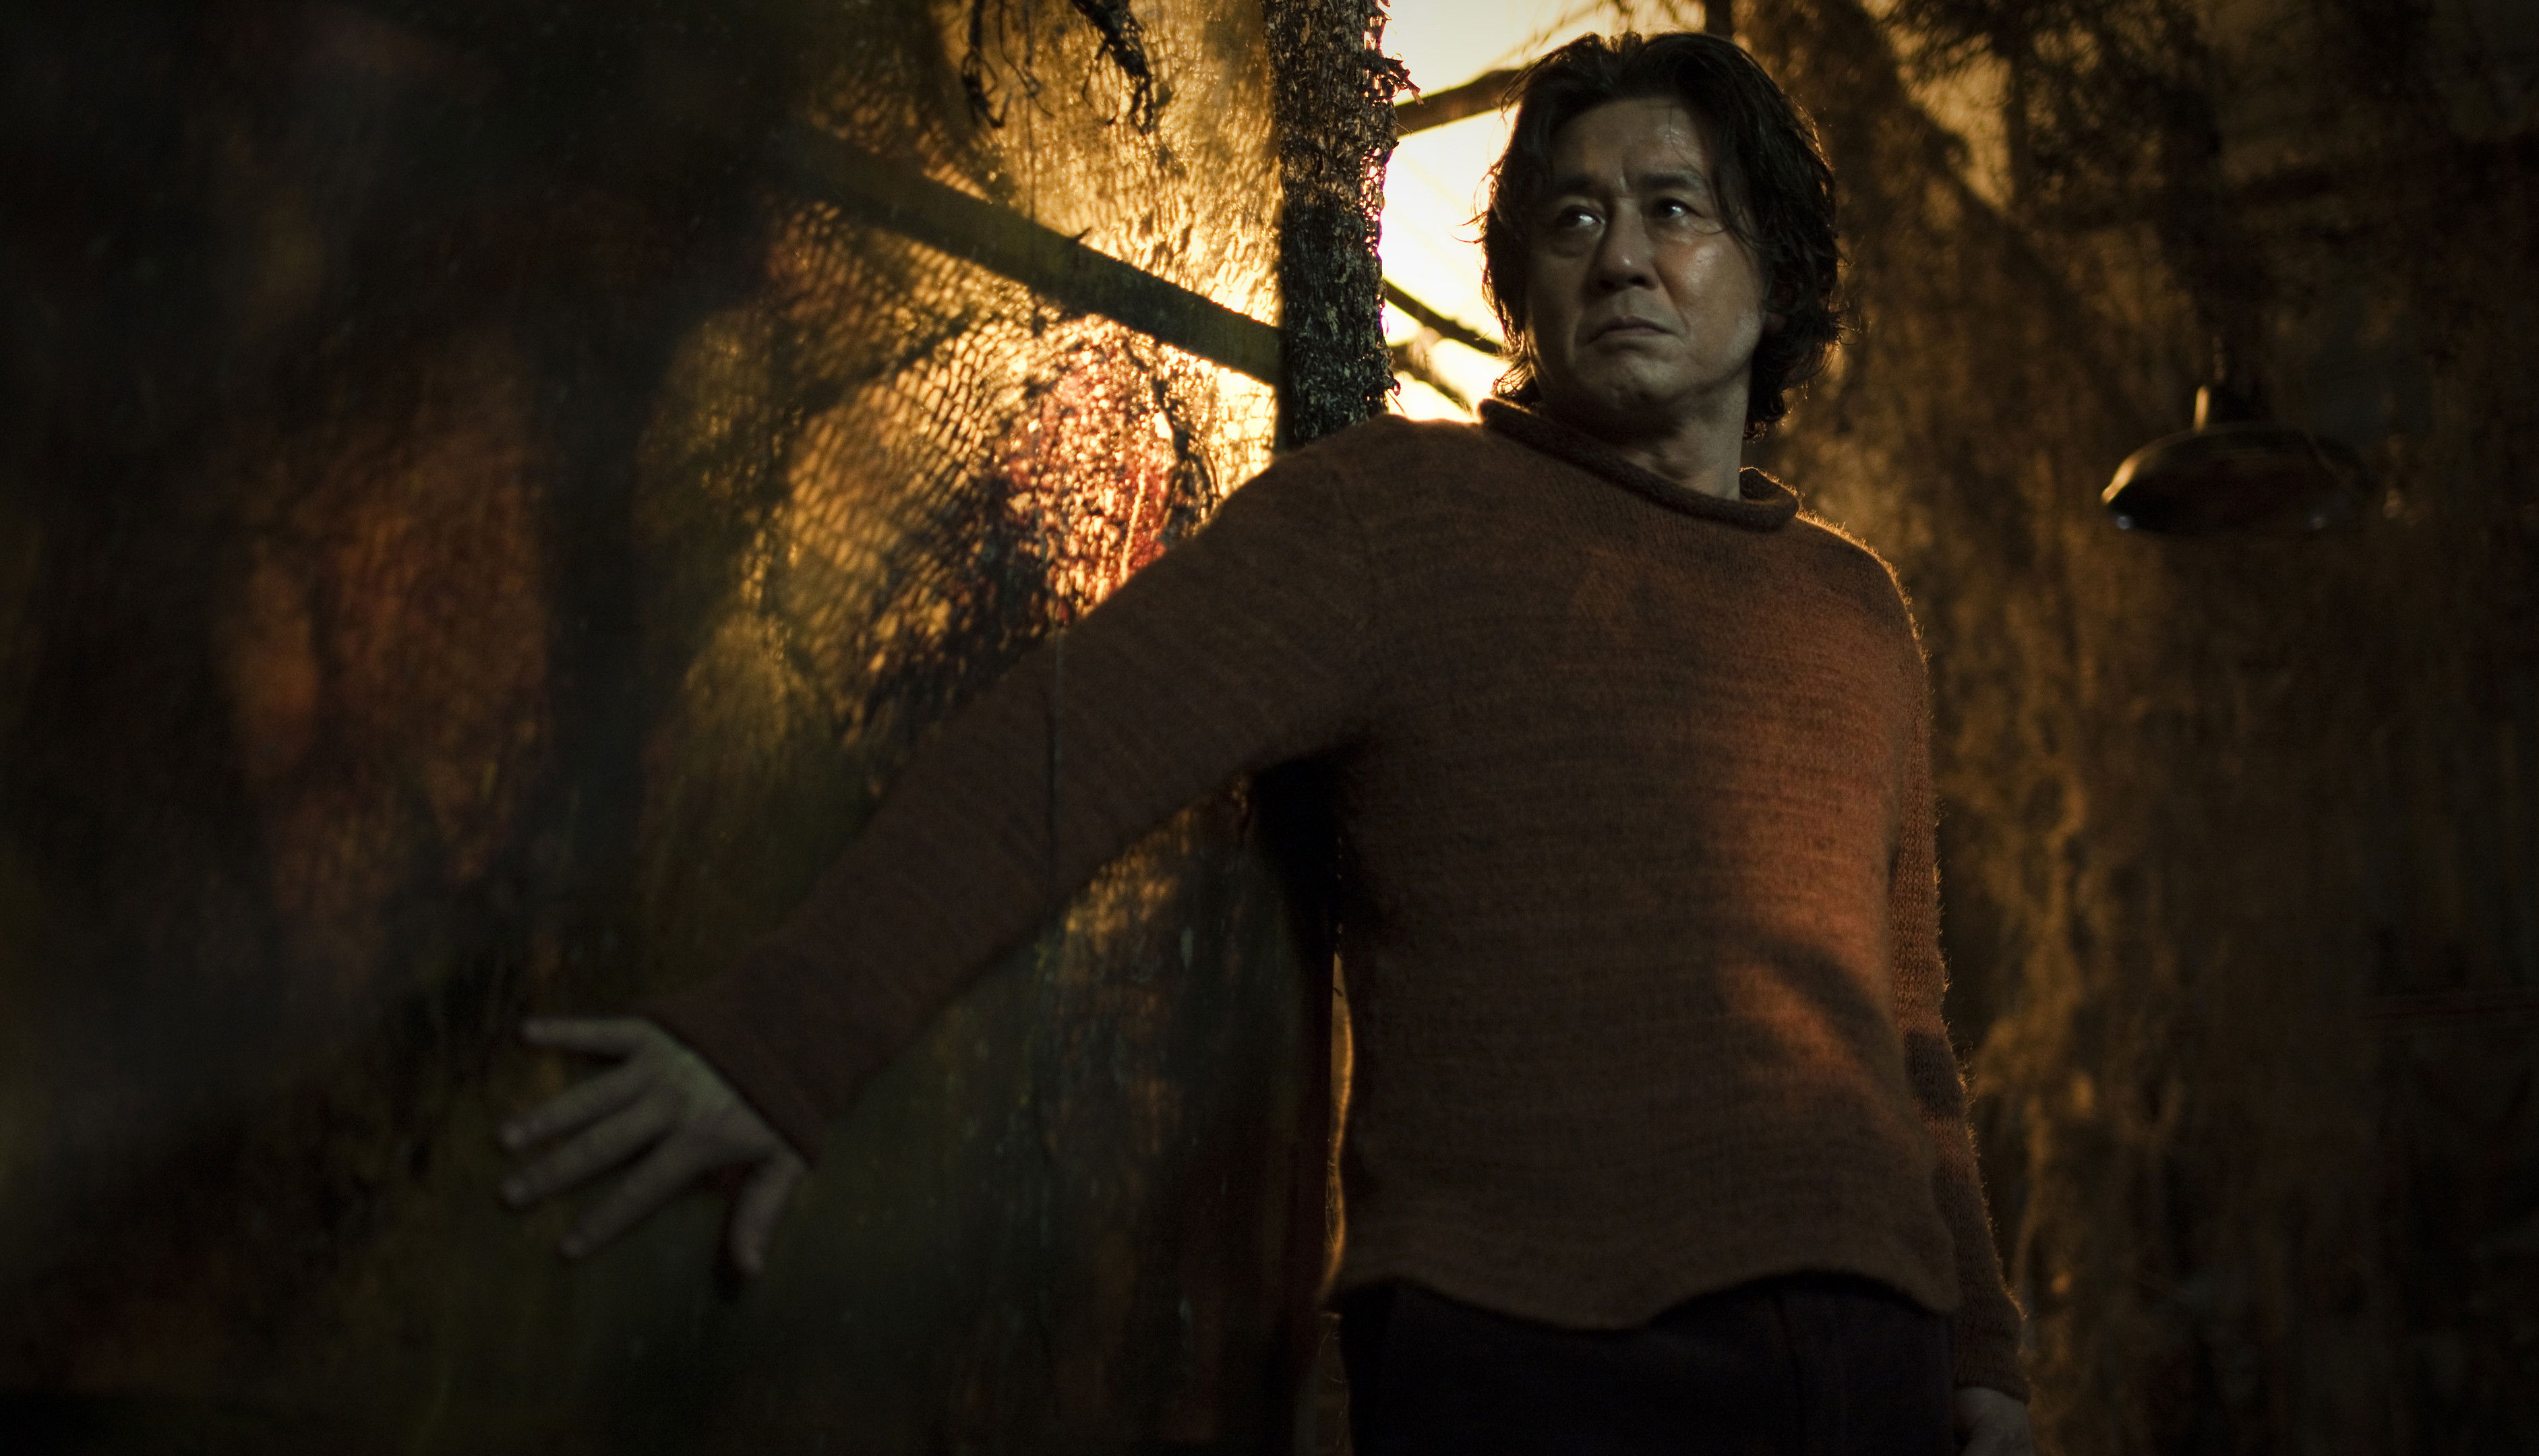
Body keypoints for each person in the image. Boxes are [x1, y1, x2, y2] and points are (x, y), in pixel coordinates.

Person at [499, 30, 2037, 1455]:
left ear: (1778, 269)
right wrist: (788, 1040)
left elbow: (1907, 1023)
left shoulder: (1855, 611)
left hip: (1874, 1362)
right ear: (1526, 283)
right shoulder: (1396, 518)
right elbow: (1071, 745)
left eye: (1674, 208)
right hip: (1534, 1354)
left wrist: (1982, 1355)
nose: (1620, 254)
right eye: (1572, 219)